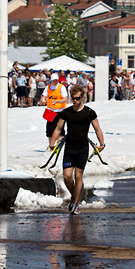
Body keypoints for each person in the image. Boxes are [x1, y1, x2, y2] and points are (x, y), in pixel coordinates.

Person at [49, 85, 105, 216]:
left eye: (78, 98)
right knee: (67, 177)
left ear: (83, 97)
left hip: (82, 148)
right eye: (73, 98)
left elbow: (97, 129)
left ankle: (76, 204)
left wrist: (101, 144)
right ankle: (75, 196)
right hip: (69, 148)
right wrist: (52, 142)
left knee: (78, 176)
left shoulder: (89, 112)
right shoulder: (66, 112)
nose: (75, 101)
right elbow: (58, 128)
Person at [39, 73, 68, 149]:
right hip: (51, 111)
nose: (55, 82)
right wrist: (42, 100)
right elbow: (44, 96)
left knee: (60, 128)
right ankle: (51, 145)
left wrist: (57, 101)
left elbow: (65, 99)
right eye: (53, 81)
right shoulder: (48, 87)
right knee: (49, 128)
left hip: (61, 110)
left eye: (56, 81)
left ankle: (59, 145)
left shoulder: (61, 87)